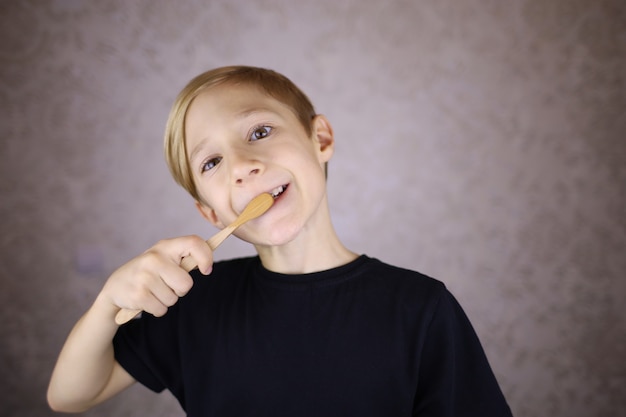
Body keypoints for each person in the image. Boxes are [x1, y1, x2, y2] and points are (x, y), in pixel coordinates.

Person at [47, 66, 513, 416]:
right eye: (211, 163)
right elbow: (69, 395)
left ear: (321, 138)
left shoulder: (419, 307)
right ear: (209, 212)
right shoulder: (192, 301)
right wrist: (108, 302)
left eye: (260, 132)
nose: (241, 164)